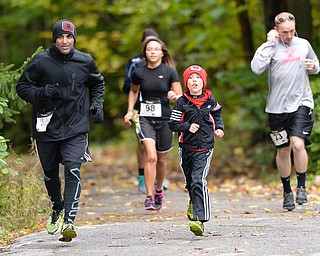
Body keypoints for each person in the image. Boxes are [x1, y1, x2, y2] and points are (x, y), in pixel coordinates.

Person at [16, 19, 105, 242]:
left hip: (76, 125)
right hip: (47, 125)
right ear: (54, 39)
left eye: (69, 37)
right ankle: (57, 207)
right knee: (50, 173)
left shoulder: (85, 60)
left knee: (73, 169)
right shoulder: (41, 62)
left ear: (74, 38)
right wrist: (42, 92)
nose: (65, 41)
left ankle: (69, 220)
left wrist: (97, 104)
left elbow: (97, 83)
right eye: (60, 37)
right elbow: (23, 87)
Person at [251, 12, 319, 211]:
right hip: (276, 108)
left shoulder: (303, 44)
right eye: (284, 32)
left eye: (291, 31)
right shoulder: (271, 47)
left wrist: (313, 66)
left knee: (297, 143)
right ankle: (287, 191)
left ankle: (302, 187)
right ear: (276, 31)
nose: (288, 36)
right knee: (283, 149)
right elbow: (256, 68)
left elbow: (316, 65)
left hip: (301, 103)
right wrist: (269, 44)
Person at [124, 38, 182, 210]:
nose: (153, 52)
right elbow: (133, 92)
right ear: (145, 53)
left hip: (165, 119)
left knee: (161, 160)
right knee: (151, 156)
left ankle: (158, 190)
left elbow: (180, 96)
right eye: (150, 49)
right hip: (145, 119)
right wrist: (129, 111)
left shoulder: (170, 72)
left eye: (156, 49)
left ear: (162, 53)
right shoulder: (138, 72)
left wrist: (174, 96)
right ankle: (149, 197)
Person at [168, 65, 224, 236]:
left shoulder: (210, 100)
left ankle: (200, 219)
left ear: (203, 82)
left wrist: (219, 128)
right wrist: (186, 127)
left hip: (205, 147)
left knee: (198, 179)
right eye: (191, 78)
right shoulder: (182, 102)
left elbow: (217, 115)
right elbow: (172, 123)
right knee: (190, 182)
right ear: (186, 83)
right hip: (186, 148)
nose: (194, 80)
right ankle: (194, 201)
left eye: (198, 78)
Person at [123, 28, 159, 194]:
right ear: (142, 45)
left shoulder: (163, 62)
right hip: (140, 108)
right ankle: (142, 178)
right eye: (147, 43)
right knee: (143, 143)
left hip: (159, 108)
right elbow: (128, 87)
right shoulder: (134, 63)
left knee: (158, 144)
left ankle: (156, 177)